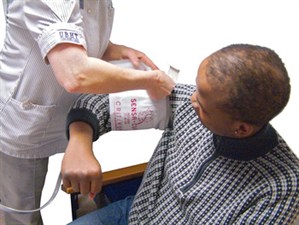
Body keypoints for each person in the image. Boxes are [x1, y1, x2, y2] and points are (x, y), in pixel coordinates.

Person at [65, 44, 299, 225]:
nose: (191, 100)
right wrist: (79, 142)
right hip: (136, 214)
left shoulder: (279, 189)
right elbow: (98, 101)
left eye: (203, 106)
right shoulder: (188, 105)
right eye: (197, 88)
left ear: (241, 129)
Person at [0, 1, 174, 224]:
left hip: (63, 105)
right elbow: (75, 74)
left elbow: (79, 31)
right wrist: (149, 80)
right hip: (24, 118)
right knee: (20, 214)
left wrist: (110, 49)